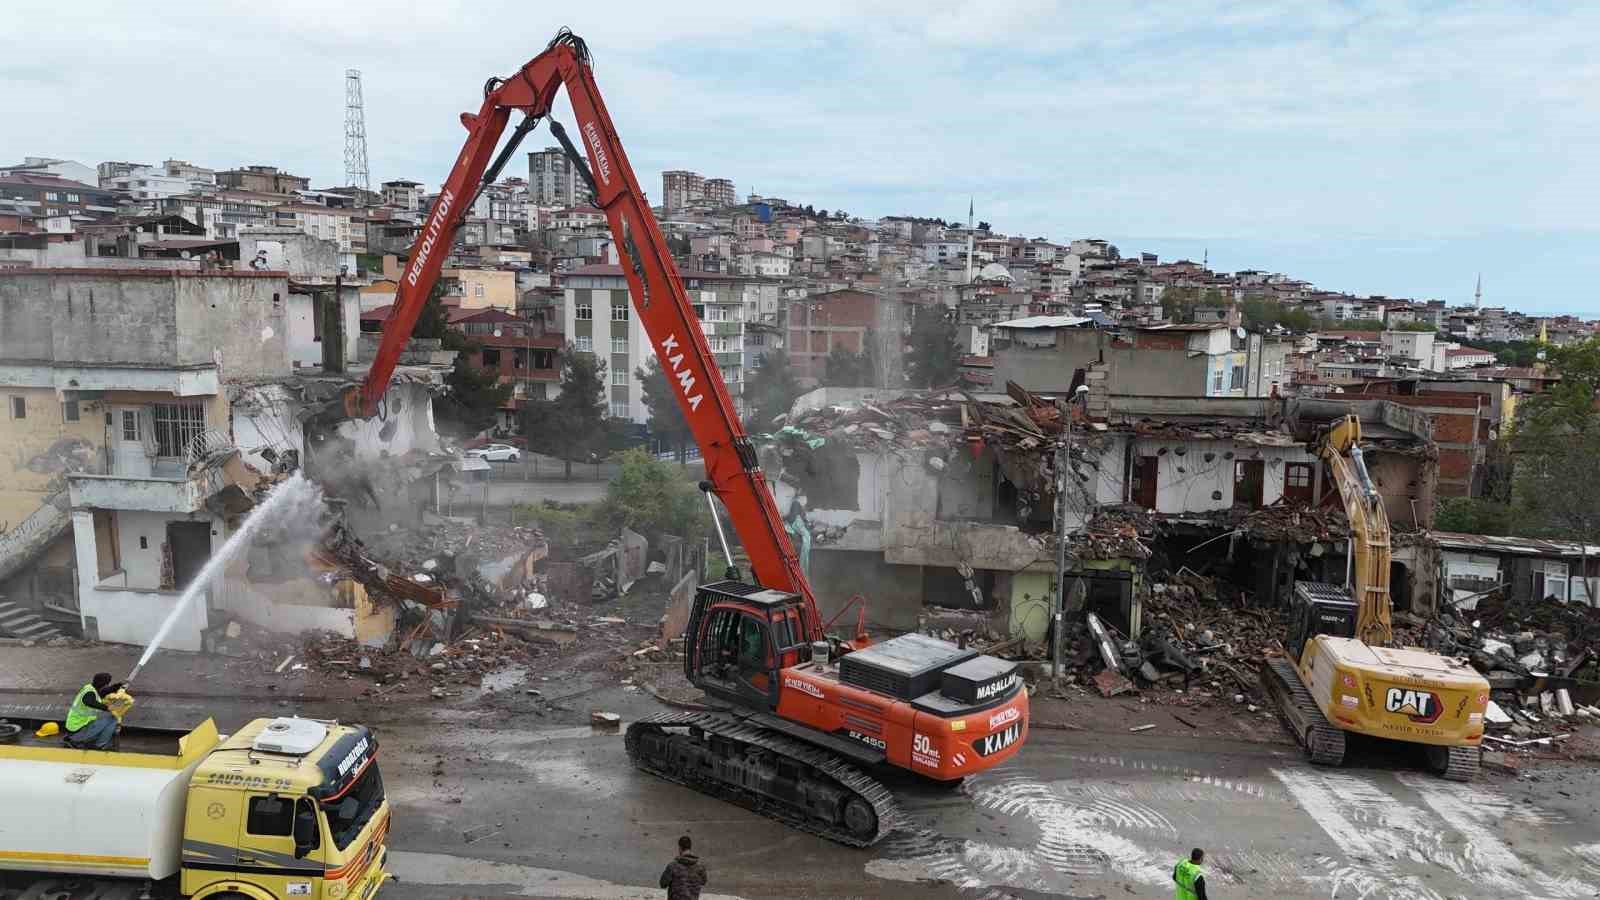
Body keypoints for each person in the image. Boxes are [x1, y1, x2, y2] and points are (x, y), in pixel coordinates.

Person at [65, 672, 125, 750]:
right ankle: (99, 745)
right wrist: (108, 708)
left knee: (106, 719)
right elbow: (89, 701)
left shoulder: (90, 687)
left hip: (76, 728)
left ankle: (77, 739)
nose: (107, 686)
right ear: (103, 684)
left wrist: (117, 686)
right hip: (78, 730)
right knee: (113, 719)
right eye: (107, 684)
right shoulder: (90, 693)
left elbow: (104, 691)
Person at [659, 834, 707, 900]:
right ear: (690, 847)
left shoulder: (672, 866)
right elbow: (704, 882)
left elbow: (663, 884)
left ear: (680, 848)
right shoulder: (700, 867)